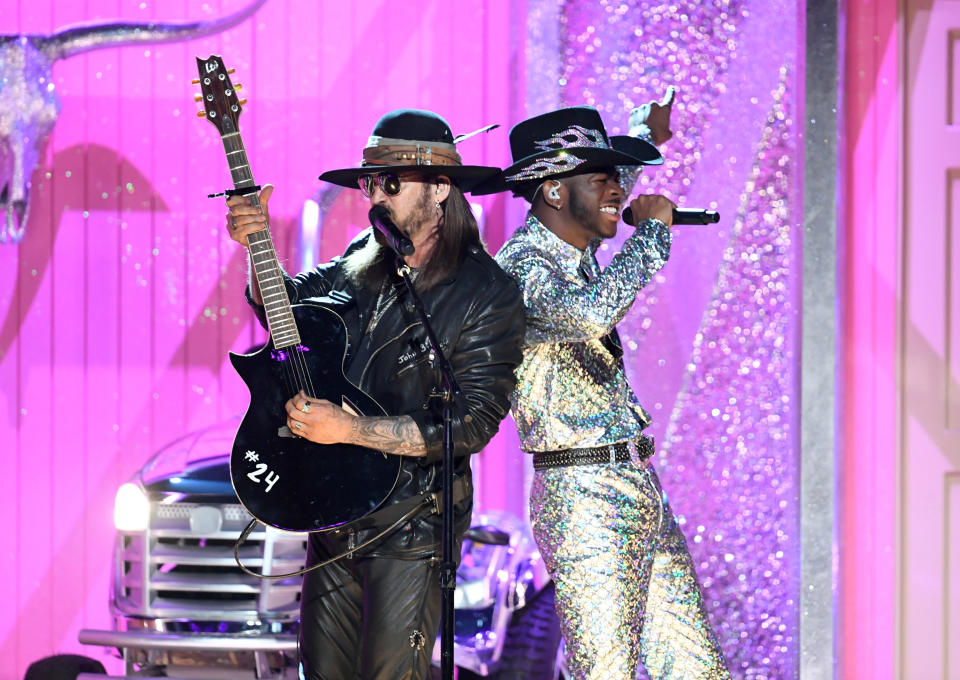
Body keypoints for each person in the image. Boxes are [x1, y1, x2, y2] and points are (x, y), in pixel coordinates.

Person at [225, 109, 525, 680]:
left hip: (411, 526)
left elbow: (471, 423)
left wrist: (352, 429)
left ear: (441, 191)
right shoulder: (365, 259)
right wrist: (255, 242)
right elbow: (288, 309)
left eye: (390, 182)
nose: (374, 196)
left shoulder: (489, 293)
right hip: (333, 509)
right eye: (369, 182)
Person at [484, 103, 731, 679]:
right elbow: (592, 314)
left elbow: (605, 199)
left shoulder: (574, 248)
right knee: (606, 670)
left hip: (637, 484)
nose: (618, 189)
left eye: (618, 178)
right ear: (551, 192)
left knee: (695, 668)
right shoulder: (520, 269)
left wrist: (649, 135)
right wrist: (651, 235)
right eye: (603, 179)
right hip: (581, 496)